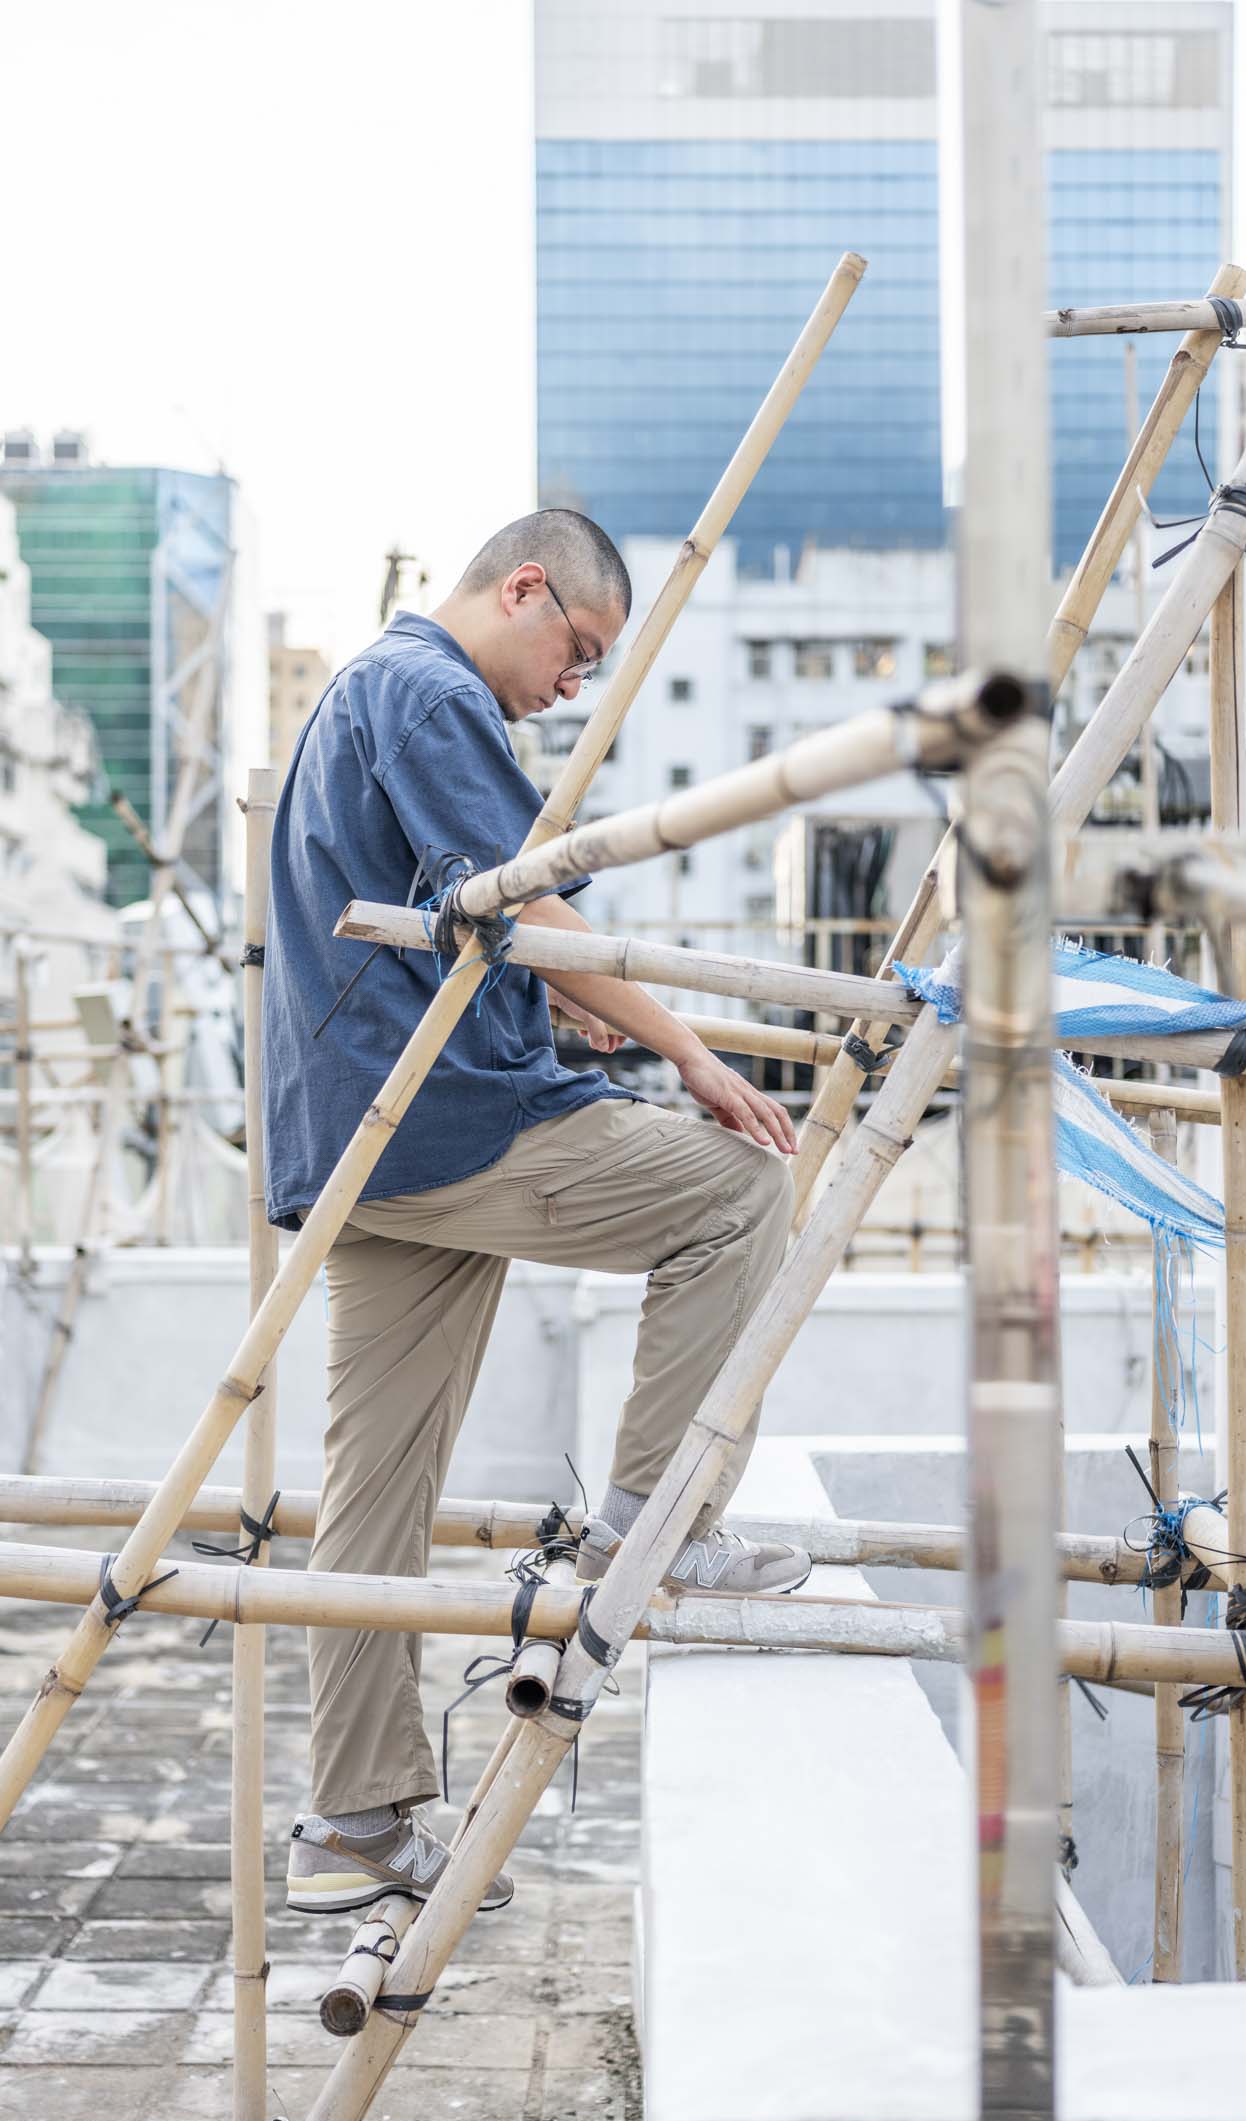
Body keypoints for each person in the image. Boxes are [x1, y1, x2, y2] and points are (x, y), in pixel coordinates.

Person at [262, 509, 809, 1917]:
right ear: (520, 588)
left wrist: (559, 990)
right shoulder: (433, 692)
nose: (574, 686)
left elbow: (468, 928)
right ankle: (651, 1524)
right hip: (446, 1120)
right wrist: (688, 1051)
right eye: (576, 649)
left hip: (356, 1140)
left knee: (374, 1490)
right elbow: (527, 911)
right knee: (740, 1188)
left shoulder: (364, 692)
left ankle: (351, 1820)